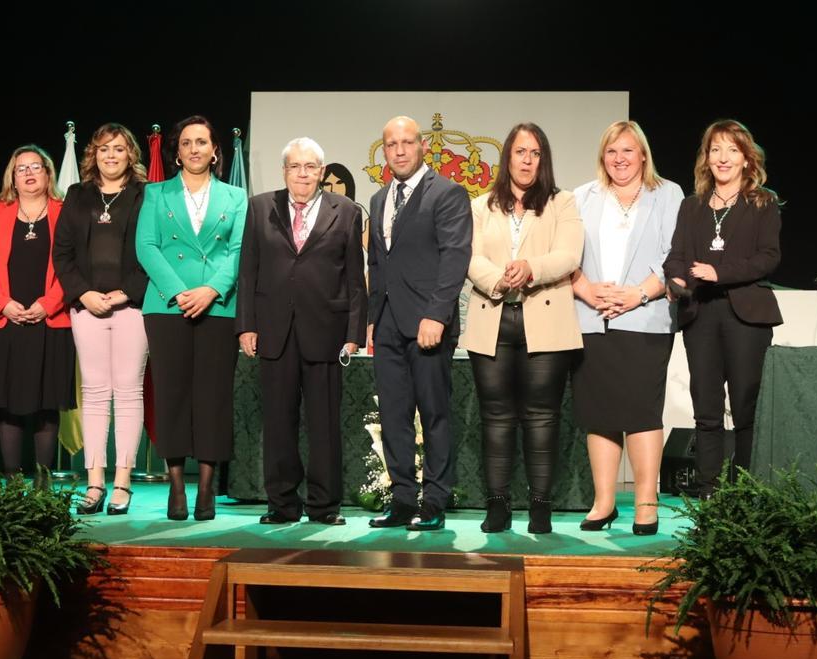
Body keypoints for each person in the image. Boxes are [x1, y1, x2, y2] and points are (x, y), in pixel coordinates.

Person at [459, 122, 583, 534]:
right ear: (506, 157)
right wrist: (497, 279)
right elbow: (469, 256)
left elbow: (568, 255)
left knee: (541, 416)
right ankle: (497, 506)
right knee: (495, 417)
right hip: (493, 315)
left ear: (543, 159)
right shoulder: (480, 206)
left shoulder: (562, 203)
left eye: (535, 153)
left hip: (545, 317)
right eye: (520, 152)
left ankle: (540, 507)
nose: (527, 160)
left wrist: (531, 268)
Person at [236, 137, 366, 526]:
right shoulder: (260, 207)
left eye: (311, 167)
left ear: (322, 173)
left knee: (324, 423)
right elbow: (248, 271)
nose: (303, 173)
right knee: (278, 421)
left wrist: (354, 331)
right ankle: (282, 504)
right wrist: (247, 326)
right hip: (274, 330)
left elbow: (355, 278)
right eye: (296, 166)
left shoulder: (345, 211)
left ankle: (325, 507)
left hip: (326, 329)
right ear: (285, 172)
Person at [570, 121, 683, 535]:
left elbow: (676, 255)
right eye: (612, 151)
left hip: (646, 319)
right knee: (598, 413)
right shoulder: (582, 197)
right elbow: (566, 255)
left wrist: (639, 294)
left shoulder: (668, 194)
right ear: (603, 156)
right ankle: (603, 502)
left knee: (640, 411)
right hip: (593, 319)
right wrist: (586, 292)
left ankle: (645, 504)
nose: (620, 159)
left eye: (628, 151)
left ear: (643, 155)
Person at [135, 115, 247, 521]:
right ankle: (177, 486)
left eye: (202, 142)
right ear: (177, 151)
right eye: (187, 143)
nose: (195, 149)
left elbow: (238, 251)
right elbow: (146, 246)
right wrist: (180, 292)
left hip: (218, 307)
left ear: (215, 150)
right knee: (172, 395)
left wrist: (212, 290)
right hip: (167, 305)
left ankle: (207, 486)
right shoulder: (155, 194)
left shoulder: (236, 197)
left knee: (213, 397)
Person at [663, 120, 782, 498]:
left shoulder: (762, 202)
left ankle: (745, 489)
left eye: (732, 150)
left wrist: (718, 272)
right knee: (707, 410)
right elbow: (677, 256)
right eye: (715, 149)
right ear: (706, 158)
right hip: (701, 314)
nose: (723, 157)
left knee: (746, 407)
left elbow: (768, 258)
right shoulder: (692, 206)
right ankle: (707, 489)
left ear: (747, 159)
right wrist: (675, 282)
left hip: (746, 315)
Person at [366, 116, 472, 531]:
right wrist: (373, 321)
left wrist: (436, 314)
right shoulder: (378, 200)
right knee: (393, 416)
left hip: (429, 323)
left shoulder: (446, 193)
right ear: (385, 149)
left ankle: (435, 503)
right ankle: (403, 501)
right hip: (388, 324)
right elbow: (377, 263)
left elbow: (455, 257)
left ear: (422, 145)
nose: (400, 150)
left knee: (434, 413)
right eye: (392, 144)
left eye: (407, 142)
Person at [53, 123, 149, 515]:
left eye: (120, 149)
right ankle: (94, 482)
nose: (111, 155)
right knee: (94, 392)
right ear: (93, 154)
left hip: (133, 307)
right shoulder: (77, 195)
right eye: (105, 148)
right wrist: (84, 293)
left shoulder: (147, 196)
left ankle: (122, 483)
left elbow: (153, 250)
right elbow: (63, 254)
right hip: (87, 307)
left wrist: (126, 292)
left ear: (131, 155)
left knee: (127, 391)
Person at [0, 145, 75, 482]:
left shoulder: (65, 212)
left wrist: (48, 304)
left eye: (36, 167)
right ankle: (12, 477)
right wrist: (3, 303)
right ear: (12, 178)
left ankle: (43, 479)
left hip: (50, 319)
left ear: (48, 174)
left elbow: (72, 265)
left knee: (47, 402)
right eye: (22, 169)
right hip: (5, 320)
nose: (29, 173)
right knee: (7, 401)